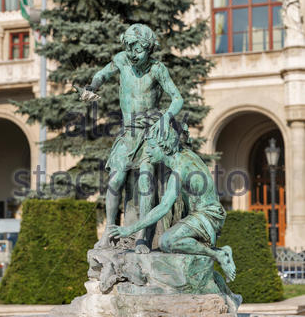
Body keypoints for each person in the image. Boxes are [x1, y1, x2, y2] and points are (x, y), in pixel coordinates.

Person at [88, 24, 183, 253]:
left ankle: (142, 237)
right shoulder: (122, 60)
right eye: (129, 49)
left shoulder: (157, 69)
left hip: (150, 132)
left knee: (145, 181)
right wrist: (92, 86)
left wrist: (165, 119)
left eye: (138, 50)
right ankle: (110, 233)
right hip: (128, 132)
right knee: (114, 180)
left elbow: (177, 99)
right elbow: (101, 74)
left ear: (149, 48)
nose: (133, 55)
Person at [109, 124, 236, 282]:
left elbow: (163, 207)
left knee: (167, 242)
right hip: (203, 213)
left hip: (207, 215)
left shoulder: (180, 169)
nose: (147, 152)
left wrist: (130, 229)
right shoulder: (184, 154)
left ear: (165, 147)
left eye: (152, 147)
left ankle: (219, 254)